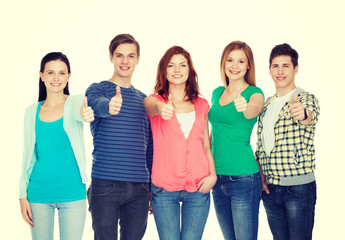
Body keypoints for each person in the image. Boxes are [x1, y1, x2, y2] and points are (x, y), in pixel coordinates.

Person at [143, 46, 217, 240]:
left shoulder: (202, 105)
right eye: (171, 65)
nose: (177, 70)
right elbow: (151, 107)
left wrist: (213, 176)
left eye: (182, 65)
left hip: (199, 186)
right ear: (164, 70)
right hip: (164, 188)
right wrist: (161, 108)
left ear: (189, 70)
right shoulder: (154, 100)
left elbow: (206, 146)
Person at [19, 52, 94, 240]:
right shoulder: (31, 112)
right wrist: (22, 195)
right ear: (41, 76)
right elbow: (28, 155)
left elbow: (84, 108)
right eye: (50, 72)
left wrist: (88, 112)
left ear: (69, 77)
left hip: (72, 192)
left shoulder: (75, 102)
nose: (56, 78)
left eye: (62, 73)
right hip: (38, 193)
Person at [85, 34, 153, 240]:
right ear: (111, 57)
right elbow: (95, 104)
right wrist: (109, 106)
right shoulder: (98, 89)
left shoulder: (144, 100)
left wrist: (150, 187)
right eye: (119, 55)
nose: (125, 61)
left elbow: (148, 147)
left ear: (138, 59)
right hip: (106, 185)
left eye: (131, 56)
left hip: (140, 188)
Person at [255, 43, 320, 240]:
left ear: (296, 68)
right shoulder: (266, 104)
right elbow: (261, 144)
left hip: (297, 190)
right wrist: (261, 175)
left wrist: (303, 114)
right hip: (270, 190)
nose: (280, 71)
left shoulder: (305, 98)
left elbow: (310, 116)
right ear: (269, 69)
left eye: (286, 66)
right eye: (275, 66)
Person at [208, 41, 264, 240]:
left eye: (241, 61)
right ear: (223, 63)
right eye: (230, 60)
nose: (235, 65)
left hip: (243, 178)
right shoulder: (217, 93)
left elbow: (253, 110)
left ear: (248, 65)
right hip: (217, 178)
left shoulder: (254, 93)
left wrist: (245, 107)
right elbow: (212, 135)